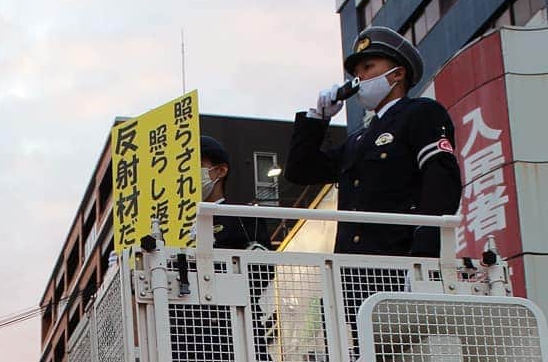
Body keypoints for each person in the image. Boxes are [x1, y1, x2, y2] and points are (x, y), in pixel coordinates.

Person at [285, 26, 461, 257]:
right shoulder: (358, 139)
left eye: (368, 68)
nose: (360, 78)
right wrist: (317, 118)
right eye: (356, 73)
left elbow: (441, 180)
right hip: (352, 270)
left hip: (399, 259)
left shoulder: (421, 113)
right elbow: (300, 171)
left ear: (398, 74)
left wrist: (425, 253)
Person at [198, 135, 270, 249]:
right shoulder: (172, 222)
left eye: (197, 165)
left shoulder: (244, 216)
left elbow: (260, 263)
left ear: (221, 171)